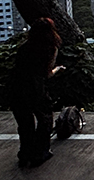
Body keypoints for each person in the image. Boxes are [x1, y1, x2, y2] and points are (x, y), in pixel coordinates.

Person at [8, 17, 64, 168]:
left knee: (25, 123)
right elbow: (46, 74)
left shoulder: (24, 48)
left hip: (17, 87)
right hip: (35, 88)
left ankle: (25, 153)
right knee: (45, 118)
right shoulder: (50, 48)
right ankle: (40, 152)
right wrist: (58, 69)